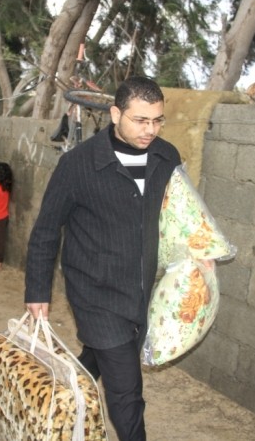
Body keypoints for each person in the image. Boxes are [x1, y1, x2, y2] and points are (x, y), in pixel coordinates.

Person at [24, 76, 181, 441]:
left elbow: (181, 217)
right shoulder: (78, 165)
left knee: (101, 355)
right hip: (95, 292)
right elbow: (46, 230)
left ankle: (53, 401)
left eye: (157, 120)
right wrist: (37, 290)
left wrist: (197, 257)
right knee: (127, 390)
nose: (150, 130)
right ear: (115, 114)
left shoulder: (167, 157)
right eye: (140, 120)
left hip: (142, 291)